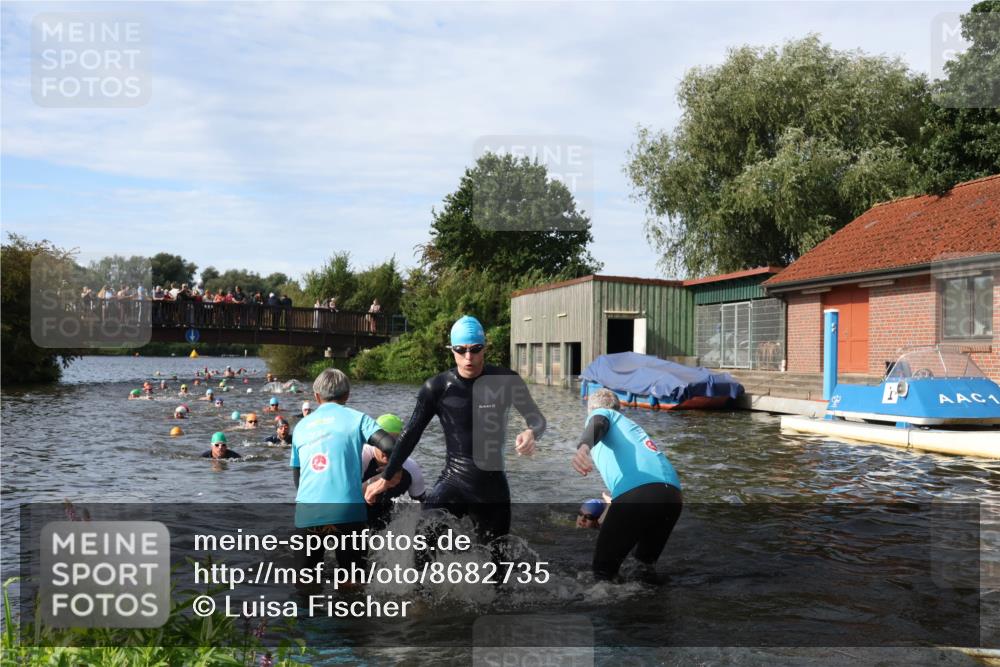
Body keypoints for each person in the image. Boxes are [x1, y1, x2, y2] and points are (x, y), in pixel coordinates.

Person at [365, 315, 545, 542]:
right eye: (461, 350)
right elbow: (411, 434)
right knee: (423, 536)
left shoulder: (506, 380)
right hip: (454, 480)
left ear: (484, 348)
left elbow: (537, 419)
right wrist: (387, 477)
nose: (468, 357)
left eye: (475, 349)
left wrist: (531, 432)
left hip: (492, 487)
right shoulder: (437, 387)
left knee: (497, 567)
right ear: (452, 350)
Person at [290, 368, 397, 578]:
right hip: (348, 511)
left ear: (316, 397)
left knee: (305, 584)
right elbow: (389, 445)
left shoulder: (301, 426)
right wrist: (389, 475)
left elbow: (298, 477)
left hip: (309, 512)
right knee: (352, 583)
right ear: (347, 395)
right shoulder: (358, 419)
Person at [572, 388, 683, 583]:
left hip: (640, 492)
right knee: (643, 568)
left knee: (602, 572)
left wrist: (583, 447)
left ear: (590, 410)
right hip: (672, 495)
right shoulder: (630, 427)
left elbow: (598, 422)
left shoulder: (602, 414)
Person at [362, 414, 426, 529]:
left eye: (394, 442)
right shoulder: (362, 457)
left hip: (385, 521)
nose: (388, 448)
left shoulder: (411, 467)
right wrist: (375, 481)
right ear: (373, 442)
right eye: (383, 443)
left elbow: (422, 508)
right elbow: (342, 498)